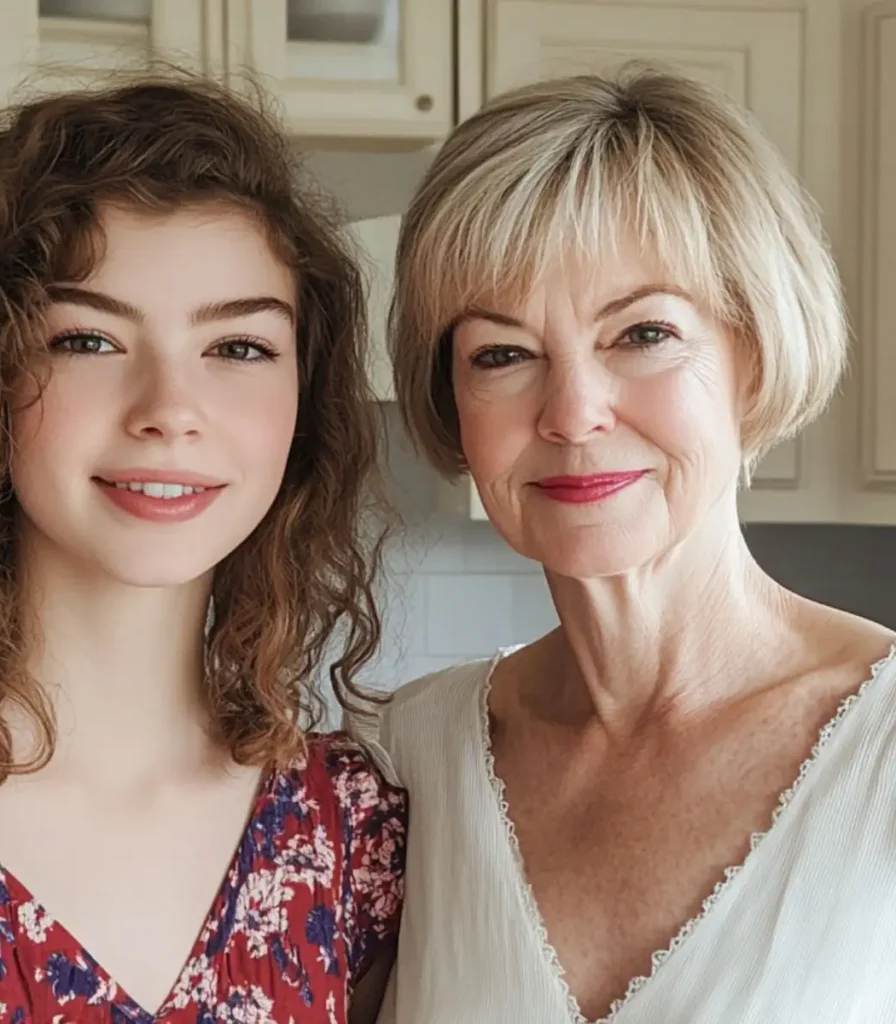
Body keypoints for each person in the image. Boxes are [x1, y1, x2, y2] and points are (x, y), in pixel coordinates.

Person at [349, 65, 896, 1023]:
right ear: (453, 406)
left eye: (642, 333)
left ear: (752, 358)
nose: (571, 413)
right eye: (503, 355)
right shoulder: (402, 763)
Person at [0, 72, 405, 1023]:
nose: (169, 411)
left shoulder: (351, 834)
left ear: (305, 405)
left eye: (239, 347)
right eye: (86, 340)